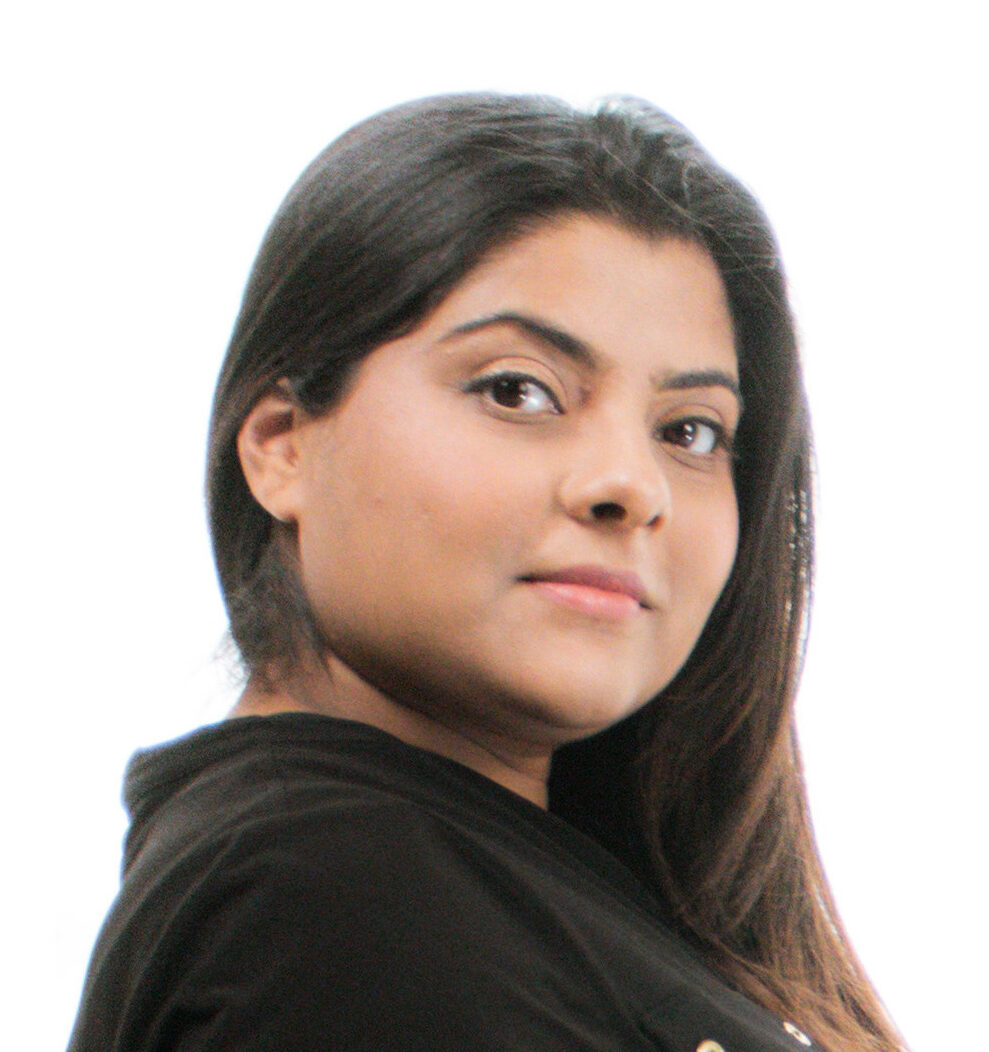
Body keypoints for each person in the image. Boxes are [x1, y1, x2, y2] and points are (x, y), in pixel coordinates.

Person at [68, 93, 904, 1052]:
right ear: (282, 444)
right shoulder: (340, 902)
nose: (631, 486)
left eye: (691, 432)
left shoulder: (494, 886)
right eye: (517, 390)